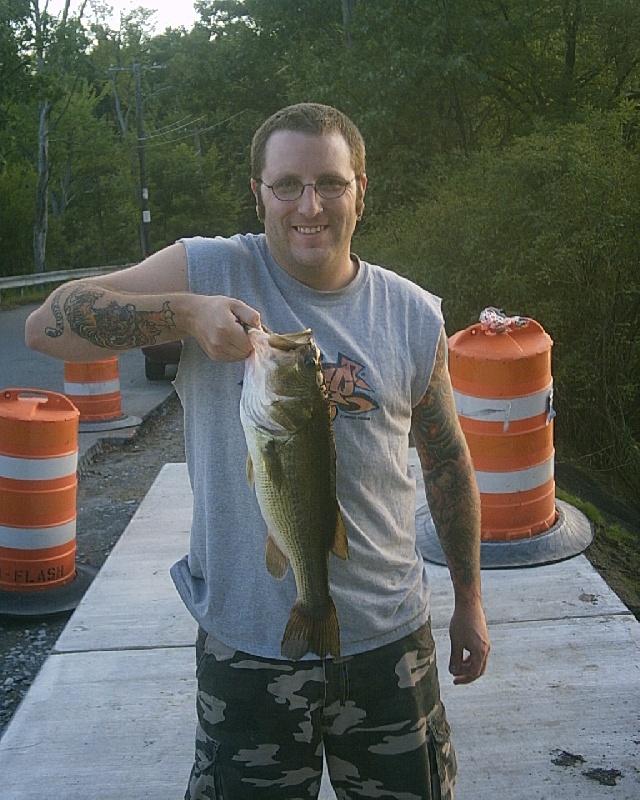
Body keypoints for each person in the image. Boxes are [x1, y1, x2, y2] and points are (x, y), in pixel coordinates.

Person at [26, 103, 490, 799]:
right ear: (257, 191)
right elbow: (45, 326)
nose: (310, 205)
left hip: (391, 642)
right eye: (287, 185)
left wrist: (470, 600)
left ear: (363, 188)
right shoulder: (210, 267)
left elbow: (447, 462)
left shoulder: (413, 313)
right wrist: (183, 311)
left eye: (331, 183)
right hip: (247, 650)